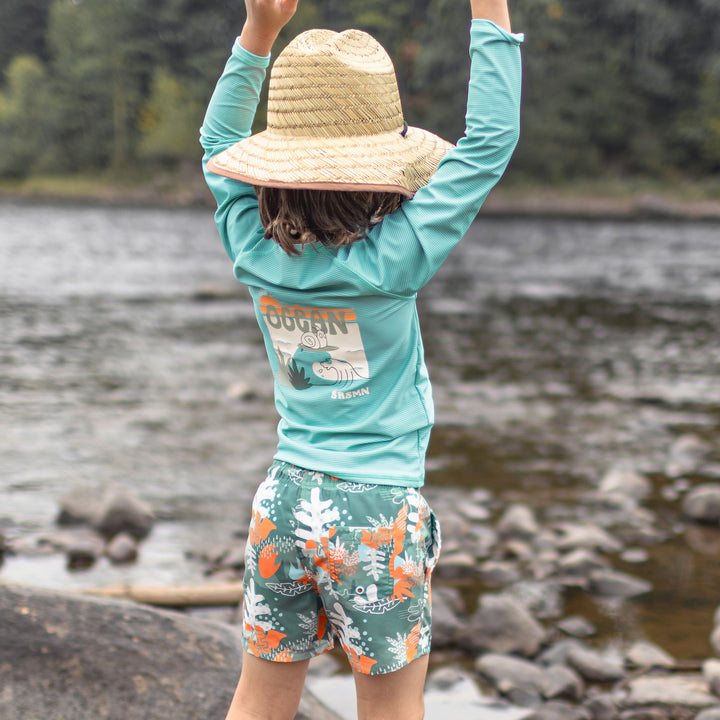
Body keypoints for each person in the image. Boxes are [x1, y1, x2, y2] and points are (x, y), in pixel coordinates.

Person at [200, 1, 522, 718]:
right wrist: (490, 11)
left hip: (283, 502)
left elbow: (217, 142)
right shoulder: (395, 259)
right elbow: (491, 142)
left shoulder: (249, 249)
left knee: (258, 703)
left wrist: (258, 32)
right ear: (379, 167)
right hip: (377, 515)